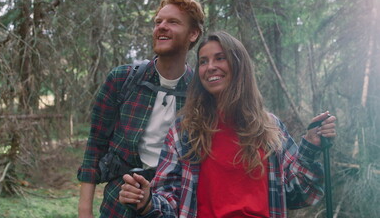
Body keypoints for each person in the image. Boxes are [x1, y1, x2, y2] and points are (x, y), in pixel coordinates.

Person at [118, 31, 337, 218]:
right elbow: (171, 198)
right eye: (203, 61)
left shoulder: (270, 128)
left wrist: (310, 147)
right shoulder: (184, 131)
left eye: (220, 58)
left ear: (238, 65)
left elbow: (300, 194)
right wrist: (148, 200)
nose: (210, 67)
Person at [77, 0, 205, 218]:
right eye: (158, 22)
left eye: (173, 22)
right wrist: (85, 211)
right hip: (118, 205)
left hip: (172, 207)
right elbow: (95, 145)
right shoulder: (122, 79)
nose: (161, 27)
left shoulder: (201, 93)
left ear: (193, 33)